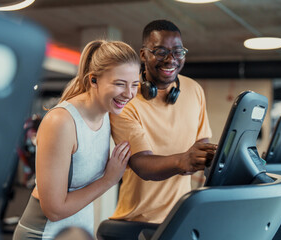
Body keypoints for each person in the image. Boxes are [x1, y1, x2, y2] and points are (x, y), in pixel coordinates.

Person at [13, 40, 140, 239]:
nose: (129, 93)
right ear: (93, 80)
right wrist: (109, 180)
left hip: (78, 233)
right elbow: (53, 210)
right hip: (43, 234)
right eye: (119, 84)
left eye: (135, 84)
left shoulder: (108, 113)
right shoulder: (61, 122)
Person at [109, 20, 217, 224]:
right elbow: (141, 164)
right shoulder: (126, 100)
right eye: (160, 51)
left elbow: (201, 140)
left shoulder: (194, 89)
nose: (171, 60)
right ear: (143, 54)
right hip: (137, 221)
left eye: (178, 52)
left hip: (180, 216)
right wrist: (182, 161)